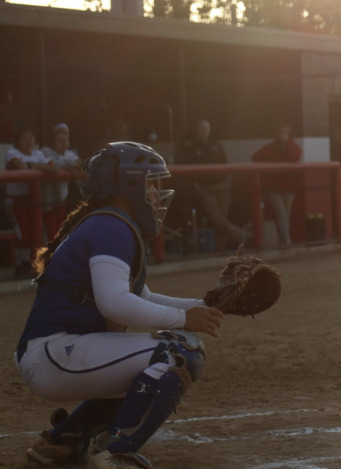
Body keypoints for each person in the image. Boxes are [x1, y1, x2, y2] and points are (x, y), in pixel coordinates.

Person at [13, 142, 224, 469]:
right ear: (127, 184)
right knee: (178, 353)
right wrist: (185, 318)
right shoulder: (111, 225)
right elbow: (115, 304)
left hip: (55, 352)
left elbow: (143, 298)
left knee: (154, 364)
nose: (155, 191)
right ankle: (115, 453)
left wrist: (206, 305)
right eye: (150, 182)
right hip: (56, 352)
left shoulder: (109, 222)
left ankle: (61, 442)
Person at [183, 120, 246, 250]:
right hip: (206, 187)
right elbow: (188, 168)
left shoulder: (217, 145)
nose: (204, 131)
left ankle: (220, 246)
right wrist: (195, 183)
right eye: (201, 128)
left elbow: (224, 162)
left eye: (207, 128)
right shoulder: (191, 148)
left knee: (223, 217)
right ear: (196, 130)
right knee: (215, 217)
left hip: (223, 184)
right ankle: (238, 233)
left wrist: (229, 179)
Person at [6, 127, 58, 275]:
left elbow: (54, 169)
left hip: (34, 202)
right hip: (15, 202)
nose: (29, 141)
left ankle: (35, 267)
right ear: (18, 141)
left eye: (31, 138)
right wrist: (39, 168)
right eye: (25, 138)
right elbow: (21, 166)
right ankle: (20, 267)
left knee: (39, 234)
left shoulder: (38, 154)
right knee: (24, 235)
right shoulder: (12, 152)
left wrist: (34, 165)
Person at [252, 122, 302, 248]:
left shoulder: (293, 146)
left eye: (287, 132)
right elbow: (255, 157)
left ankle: (282, 242)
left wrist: (288, 142)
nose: (284, 134)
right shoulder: (270, 147)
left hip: (288, 185)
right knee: (281, 213)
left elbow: (295, 157)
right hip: (272, 186)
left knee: (286, 214)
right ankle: (287, 242)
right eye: (282, 132)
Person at [41, 125, 82, 240]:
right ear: (53, 141)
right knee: (49, 235)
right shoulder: (45, 151)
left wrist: (74, 165)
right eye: (59, 140)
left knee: (60, 232)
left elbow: (79, 163)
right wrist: (70, 166)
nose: (63, 143)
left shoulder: (70, 153)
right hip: (46, 201)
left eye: (65, 140)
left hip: (61, 199)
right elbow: (55, 165)